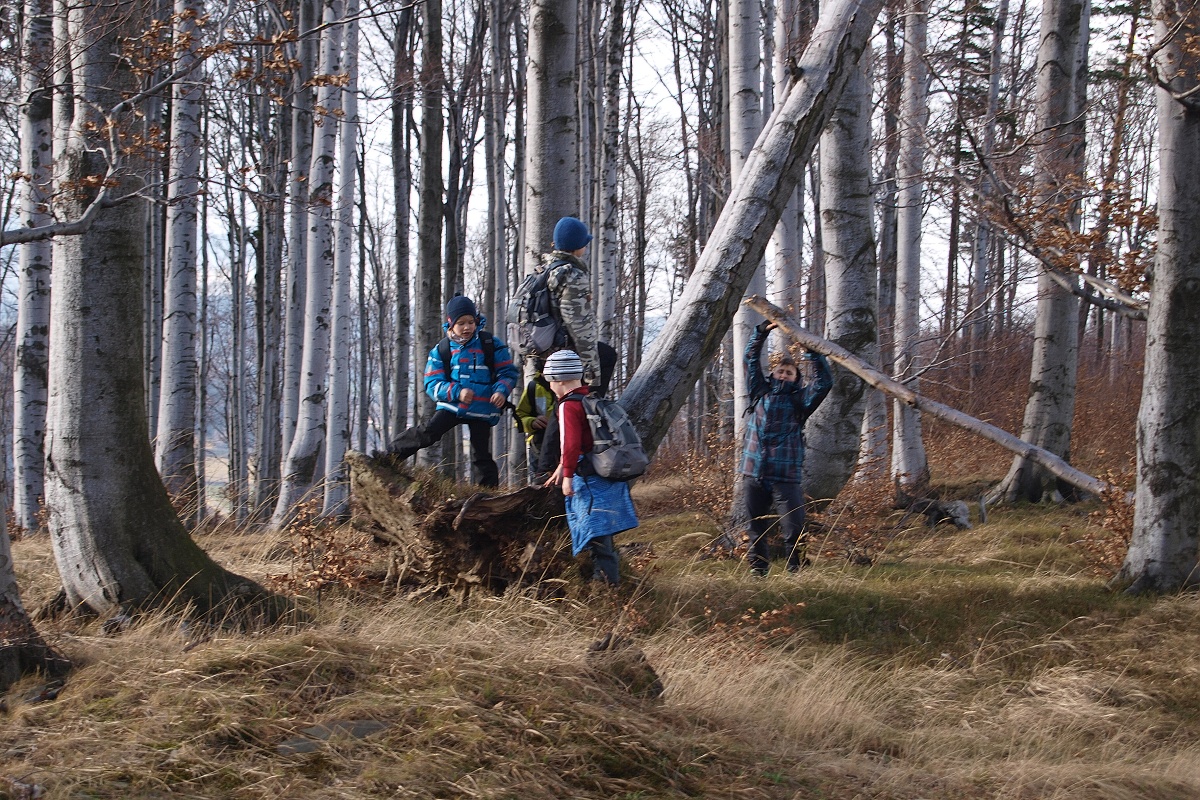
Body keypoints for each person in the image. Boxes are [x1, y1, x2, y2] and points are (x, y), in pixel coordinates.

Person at [385, 295, 519, 487]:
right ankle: (390, 455)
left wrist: (501, 391)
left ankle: (488, 495)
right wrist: (456, 392)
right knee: (428, 432)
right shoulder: (442, 349)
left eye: (471, 322)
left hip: (481, 408)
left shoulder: (490, 344)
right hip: (452, 406)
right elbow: (432, 383)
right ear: (450, 324)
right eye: (461, 323)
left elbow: (508, 372)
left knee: (481, 454)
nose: (467, 327)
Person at [739, 320, 833, 576]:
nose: (784, 375)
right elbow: (750, 359)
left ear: (796, 379)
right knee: (755, 528)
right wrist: (760, 333)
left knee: (794, 527)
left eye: (789, 373)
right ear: (773, 373)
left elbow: (824, 383)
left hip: (785, 477)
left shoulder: (800, 400)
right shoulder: (760, 392)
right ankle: (758, 572)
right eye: (781, 371)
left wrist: (811, 352)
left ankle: (796, 571)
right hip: (754, 474)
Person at [543, 349, 638, 585]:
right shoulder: (589, 398)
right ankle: (604, 581)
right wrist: (561, 467)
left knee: (596, 535)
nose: (550, 387)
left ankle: (605, 587)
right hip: (601, 474)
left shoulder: (567, 406)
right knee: (600, 533)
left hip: (586, 478)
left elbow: (571, 444)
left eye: (551, 381)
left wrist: (566, 476)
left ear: (561, 380)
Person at [534, 216, 604, 388]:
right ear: (576, 246)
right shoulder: (573, 276)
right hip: (564, 354)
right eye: (584, 243)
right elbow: (580, 328)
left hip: (542, 351)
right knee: (607, 356)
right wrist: (593, 374)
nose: (586, 247)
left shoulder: (545, 269)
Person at [514, 369, 555, 473]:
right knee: (539, 484)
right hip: (538, 446)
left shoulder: (571, 386)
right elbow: (520, 417)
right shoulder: (533, 387)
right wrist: (531, 422)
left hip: (565, 444)